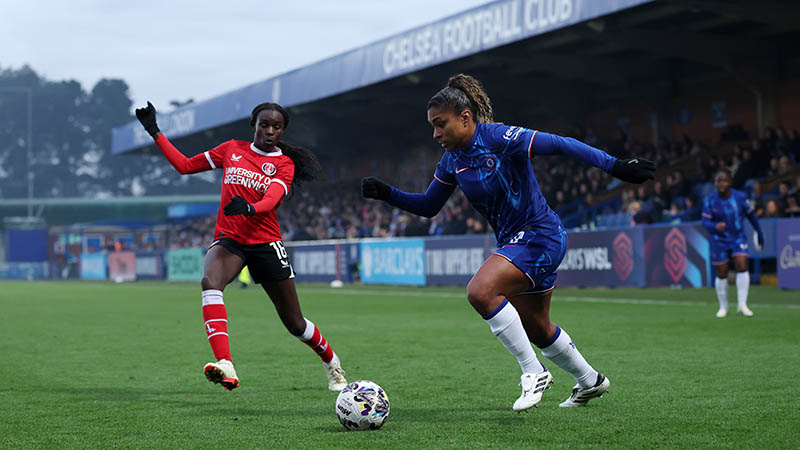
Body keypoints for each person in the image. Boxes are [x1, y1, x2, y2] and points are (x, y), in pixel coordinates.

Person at [361, 74, 655, 411]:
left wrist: (614, 165)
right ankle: (591, 381)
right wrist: (388, 195)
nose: (435, 134)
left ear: (465, 117)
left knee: (480, 291)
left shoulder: (500, 137)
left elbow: (559, 143)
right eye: (432, 126)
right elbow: (429, 206)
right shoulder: (452, 160)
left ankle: (533, 372)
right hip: (521, 243)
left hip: (539, 234)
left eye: (440, 124)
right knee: (537, 328)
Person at [134, 101, 347, 392]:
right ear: (253, 126)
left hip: (265, 243)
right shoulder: (231, 149)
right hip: (230, 239)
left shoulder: (284, 164)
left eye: (276, 127)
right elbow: (184, 166)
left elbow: (271, 199)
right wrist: (154, 131)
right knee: (210, 282)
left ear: (282, 131)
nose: (269, 131)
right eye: (264, 125)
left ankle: (332, 363)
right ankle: (225, 363)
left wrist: (249, 207)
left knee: (295, 323)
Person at [702, 170, 764, 318]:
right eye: (719, 181)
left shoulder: (740, 197)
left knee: (742, 265)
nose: (722, 183)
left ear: (730, 182)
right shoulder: (710, 200)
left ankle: (742, 305)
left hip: (738, 238)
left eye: (725, 180)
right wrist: (715, 226)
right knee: (721, 272)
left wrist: (759, 234)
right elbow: (705, 221)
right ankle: (723, 307)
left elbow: (752, 216)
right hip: (719, 240)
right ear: (715, 183)